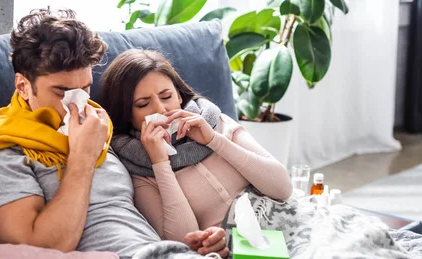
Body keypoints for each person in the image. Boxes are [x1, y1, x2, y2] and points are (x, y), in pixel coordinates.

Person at [0, 8, 229, 258]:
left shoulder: (101, 127)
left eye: (86, 88)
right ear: (22, 87)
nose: (78, 105)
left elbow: (129, 218)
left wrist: (191, 243)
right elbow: (40, 249)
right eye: (62, 92)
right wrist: (81, 157)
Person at [101, 49, 294, 246]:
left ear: (178, 95)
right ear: (127, 115)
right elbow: (182, 241)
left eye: (166, 96)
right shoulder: (137, 168)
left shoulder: (214, 121)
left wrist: (214, 140)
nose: (161, 109)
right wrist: (159, 163)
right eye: (143, 104)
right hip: (234, 248)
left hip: (284, 224)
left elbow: (283, 188)